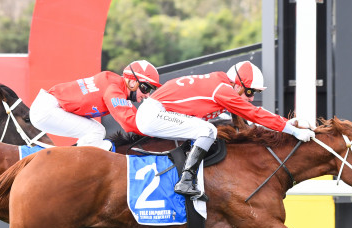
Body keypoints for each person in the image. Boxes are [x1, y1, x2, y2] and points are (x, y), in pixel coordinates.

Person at [135, 60, 316, 197]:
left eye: (255, 93)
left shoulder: (221, 86)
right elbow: (253, 113)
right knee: (208, 130)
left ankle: (189, 179)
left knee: (204, 130)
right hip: (153, 115)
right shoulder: (221, 90)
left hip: (157, 112)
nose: (251, 97)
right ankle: (186, 181)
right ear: (236, 84)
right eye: (250, 91)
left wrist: (287, 124)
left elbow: (253, 115)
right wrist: (293, 131)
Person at [29, 60, 161, 151]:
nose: (147, 95)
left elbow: (136, 119)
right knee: (96, 131)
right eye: (146, 88)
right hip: (47, 110)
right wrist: (160, 132)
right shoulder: (114, 90)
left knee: (96, 131)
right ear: (132, 82)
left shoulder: (116, 85)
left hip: (48, 106)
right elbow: (129, 122)